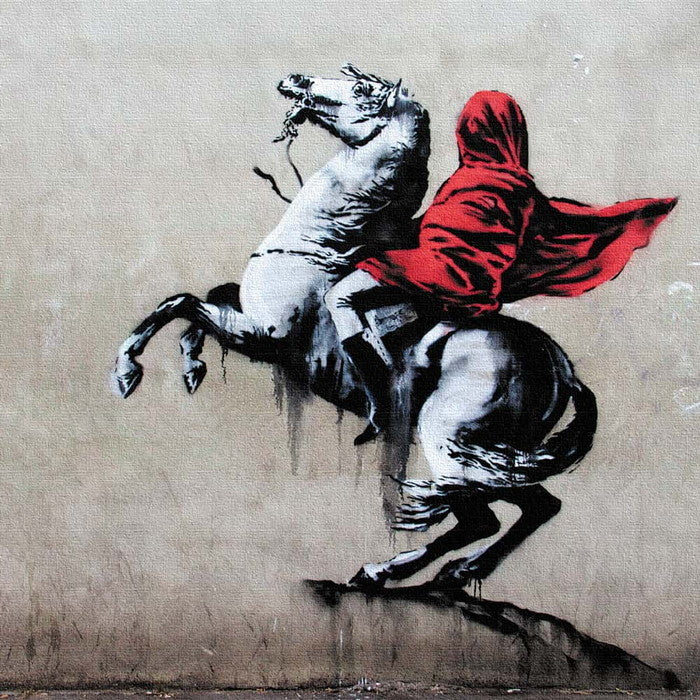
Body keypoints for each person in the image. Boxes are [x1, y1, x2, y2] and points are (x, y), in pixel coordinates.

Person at [325, 91, 677, 445]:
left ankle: (381, 403)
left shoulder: (464, 180)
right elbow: (531, 235)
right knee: (415, 335)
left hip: (432, 272)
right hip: (475, 295)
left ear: (468, 134)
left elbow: (434, 230)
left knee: (339, 298)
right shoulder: (524, 193)